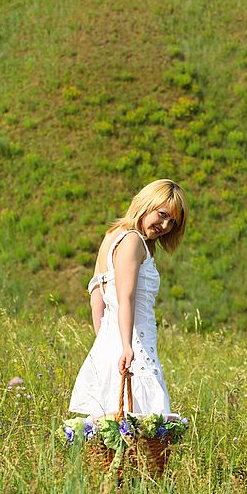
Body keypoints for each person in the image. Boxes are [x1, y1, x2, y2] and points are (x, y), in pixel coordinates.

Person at [68, 179, 188, 420]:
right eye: (162, 214)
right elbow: (126, 297)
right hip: (134, 342)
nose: (165, 225)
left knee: (112, 425)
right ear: (146, 203)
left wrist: (107, 343)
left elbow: (96, 297)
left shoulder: (112, 235)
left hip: (111, 341)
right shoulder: (133, 240)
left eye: (172, 222)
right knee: (142, 426)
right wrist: (126, 346)